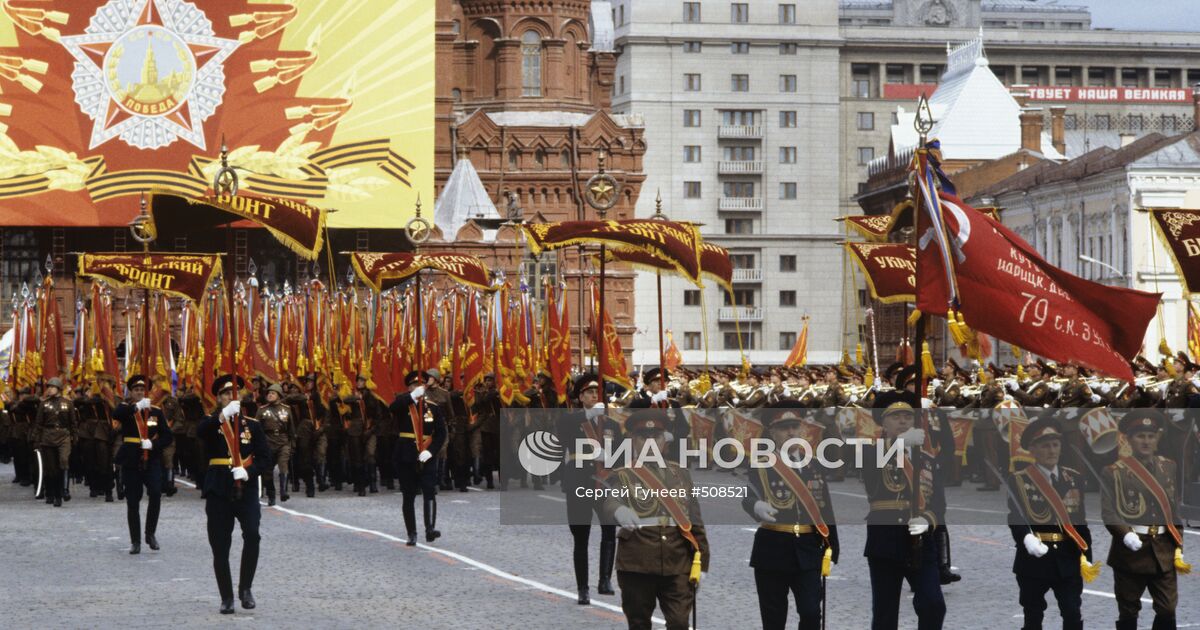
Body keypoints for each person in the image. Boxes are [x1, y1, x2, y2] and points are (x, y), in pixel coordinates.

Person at [602, 409, 710, 630]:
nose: (650, 442)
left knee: (680, 623)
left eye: (656, 437)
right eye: (643, 437)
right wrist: (618, 511)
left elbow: (695, 520)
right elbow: (607, 501)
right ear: (633, 440)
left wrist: (703, 564)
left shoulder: (681, 474)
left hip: (677, 560)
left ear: (664, 440)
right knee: (639, 623)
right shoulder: (623, 474)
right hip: (637, 562)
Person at [744, 402, 838, 630]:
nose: (791, 433)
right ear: (772, 432)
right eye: (784, 428)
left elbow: (825, 508)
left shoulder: (814, 466)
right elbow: (747, 494)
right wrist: (756, 505)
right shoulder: (761, 464)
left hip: (808, 548)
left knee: (811, 612)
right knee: (774, 618)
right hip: (772, 548)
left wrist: (832, 547)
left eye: (795, 427)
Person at [863, 389, 945, 630]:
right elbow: (869, 468)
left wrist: (928, 520)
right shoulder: (871, 452)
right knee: (885, 614)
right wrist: (898, 444)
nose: (902, 421)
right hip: (885, 539)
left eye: (908, 417)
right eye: (895, 417)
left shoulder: (927, 459)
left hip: (920, 540)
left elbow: (939, 504)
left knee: (933, 604)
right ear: (883, 423)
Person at [1102, 410, 1189, 630]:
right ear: (1129, 439)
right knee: (1129, 611)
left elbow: (1173, 508)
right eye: (1140, 436)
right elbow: (1109, 512)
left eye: (1151, 436)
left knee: (1168, 609)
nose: (1146, 441)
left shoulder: (1169, 467)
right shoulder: (1113, 472)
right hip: (1130, 552)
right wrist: (1125, 534)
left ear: (1157, 438)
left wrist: (1179, 542)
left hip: (1163, 550)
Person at [1006, 415, 1093, 630]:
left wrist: (1086, 556)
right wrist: (1026, 538)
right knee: (1033, 616)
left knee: (1073, 613)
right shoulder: (1020, 479)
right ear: (1032, 450)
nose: (1052, 451)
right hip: (1035, 558)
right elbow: (1015, 516)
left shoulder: (1073, 478)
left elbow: (1080, 521)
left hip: (1067, 555)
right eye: (1045, 446)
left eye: (1055, 445)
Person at [197, 374, 272, 614]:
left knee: (252, 534)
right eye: (226, 393)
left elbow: (265, 458)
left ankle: (246, 588)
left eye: (235, 393)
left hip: (245, 487)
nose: (231, 396)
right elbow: (200, 433)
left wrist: (248, 471)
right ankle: (226, 596)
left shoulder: (252, 425)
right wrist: (223, 416)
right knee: (220, 545)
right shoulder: (212, 422)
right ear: (219, 398)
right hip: (218, 487)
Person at [557, 373, 620, 605]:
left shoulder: (611, 424)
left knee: (609, 529)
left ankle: (605, 579)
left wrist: (610, 457)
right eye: (590, 392)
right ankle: (582, 588)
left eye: (597, 392)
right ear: (581, 397)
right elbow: (561, 437)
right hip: (580, 481)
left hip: (604, 483)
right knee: (581, 537)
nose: (595, 396)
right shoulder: (570, 420)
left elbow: (622, 453)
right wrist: (586, 417)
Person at [113, 375, 173, 554]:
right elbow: (116, 415)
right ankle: (136, 541)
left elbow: (167, 436)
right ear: (131, 392)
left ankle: (150, 533)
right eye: (136, 390)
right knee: (133, 500)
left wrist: (154, 444)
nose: (139, 392)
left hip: (151, 458)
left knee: (155, 493)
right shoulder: (126, 408)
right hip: (131, 458)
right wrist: (136, 407)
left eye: (142, 390)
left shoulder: (155, 411)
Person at [390, 370, 447, 545]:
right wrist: (411, 397)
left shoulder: (433, 407)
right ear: (409, 388)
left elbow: (441, 433)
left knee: (429, 490)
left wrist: (431, 451)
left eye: (420, 385)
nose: (418, 387)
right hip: (406, 455)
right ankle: (411, 533)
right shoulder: (403, 403)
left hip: (426, 455)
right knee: (408, 495)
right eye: (414, 385)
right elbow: (391, 408)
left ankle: (430, 528)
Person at [32, 377, 77, 507]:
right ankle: (51, 493)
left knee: (63, 461)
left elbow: (73, 423)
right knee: (51, 469)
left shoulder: (68, 403)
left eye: (52, 387)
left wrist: (75, 437)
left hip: (64, 436)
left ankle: (64, 491)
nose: (50, 389)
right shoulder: (43, 404)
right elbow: (39, 423)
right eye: (49, 387)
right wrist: (36, 439)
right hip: (48, 437)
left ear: (59, 388)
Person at [256, 383, 295, 505]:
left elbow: (291, 428)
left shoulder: (286, 409)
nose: (270, 395)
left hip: (283, 441)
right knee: (267, 471)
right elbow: (255, 428)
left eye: (273, 393)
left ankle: (283, 491)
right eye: (269, 393)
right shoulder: (262, 410)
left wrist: (292, 444)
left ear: (279, 395)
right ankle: (271, 494)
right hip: (268, 442)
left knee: (283, 464)